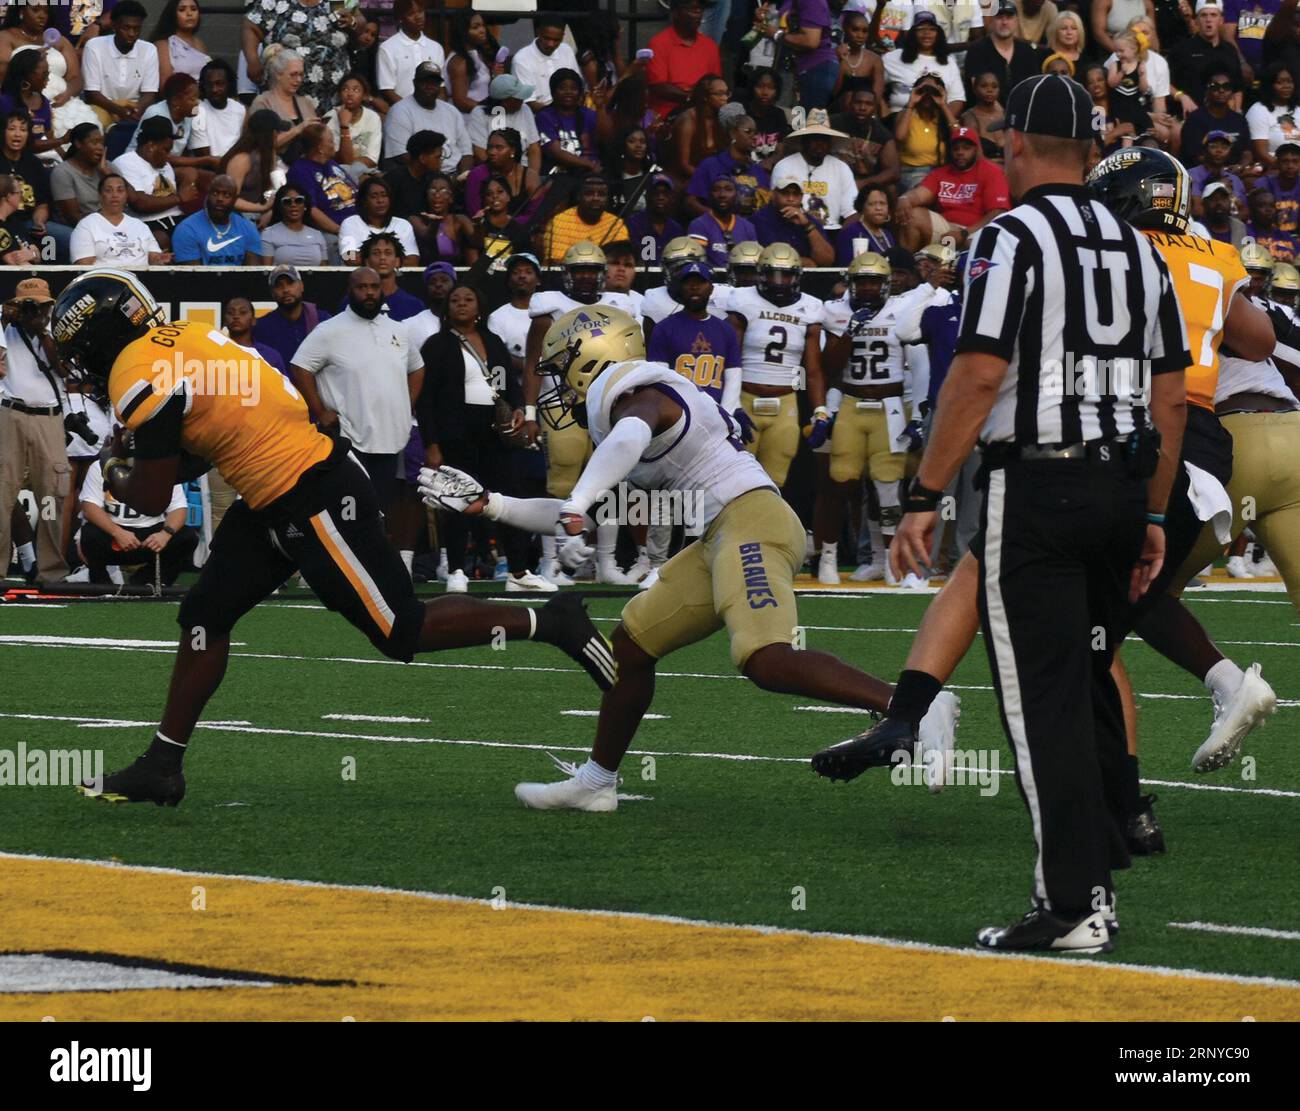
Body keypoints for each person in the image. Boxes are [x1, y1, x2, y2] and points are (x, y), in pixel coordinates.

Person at [814, 80, 1213, 953]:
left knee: (1043, 703)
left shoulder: (1012, 234)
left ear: (1020, 145)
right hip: (1120, 483)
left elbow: (981, 371)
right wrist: (1151, 512)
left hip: (1038, 487)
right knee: (1092, 678)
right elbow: (1172, 398)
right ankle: (1110, 845)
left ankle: (1073, 902)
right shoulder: (1144, 248)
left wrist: (926, 493)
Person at [55, 269, 616, 806]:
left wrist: (115, 471)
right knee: (205, 614)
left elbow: (151, 500)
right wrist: (137, 465)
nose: (79, 359)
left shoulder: (137, 365)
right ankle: (161, 765)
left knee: (401, 629)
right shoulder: (192, 339)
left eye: (78, 345)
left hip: (309, 491)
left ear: (100, 334)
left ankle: (551, 620)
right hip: (271, 494)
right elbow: (205, 447)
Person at [420, 303, 937, 812]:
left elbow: (627, 439)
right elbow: (583, 507)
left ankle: (915, 708)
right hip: (720, 531)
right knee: (632, 645)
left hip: (750, 520)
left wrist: (578, 502)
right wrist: (492, 505)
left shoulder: (641, 396)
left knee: (765, 658)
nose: (560, 388)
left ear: (592, 357)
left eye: (562, 371)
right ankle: (597, 781)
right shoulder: (632, 410)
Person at [416, 283, 550, 594]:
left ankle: (518, 570)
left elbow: (506, 386)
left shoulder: (493, 341)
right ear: (447, 308)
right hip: (455, 433)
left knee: (507, 499)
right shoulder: (437, 345)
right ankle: (457, 571)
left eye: (468, 298)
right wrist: (431, 443)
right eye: (455, 300)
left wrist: (518, 408)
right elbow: (427, 399)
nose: (461, 304)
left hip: (493, 432)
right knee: (458, 503)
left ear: (480, 307)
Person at [288, 266, 422, 522]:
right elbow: (300, 367)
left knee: (379, 511)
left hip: (390, 438)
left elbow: (417, 368)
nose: (369, 293)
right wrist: (320, 411)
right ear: (350, 291)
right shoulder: (330, 330)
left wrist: (408, 403)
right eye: (362, 288)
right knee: (349, 512)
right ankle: (344, 561)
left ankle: (372, 561)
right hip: (349, 438)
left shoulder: (398, 330)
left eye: (374, 287)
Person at [727, 244, 830, 489]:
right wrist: (730, 405)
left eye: (786, 275)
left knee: (775, 482)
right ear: (760, 274)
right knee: (737, 480)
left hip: (786, 403)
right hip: (745, 398)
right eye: (773, 274)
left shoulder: (811, 307)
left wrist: (820, 412)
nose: (780, 282)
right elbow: (731, 360)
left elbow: (813, 370)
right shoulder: (742, 299)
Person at [79, 454, 197, 587]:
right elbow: (89, 508)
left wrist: (165, 534)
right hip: (114, 535)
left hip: (151, 536)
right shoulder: (100, 466)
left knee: (187, 537)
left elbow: (178, 508)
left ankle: (148, 580)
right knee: (89, 534)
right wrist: (117, 532)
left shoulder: (164, 468)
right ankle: (100, 580)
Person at [895, 125, 1011, 251]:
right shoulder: (941, 173)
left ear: (976, 150)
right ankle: (904, 265)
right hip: (947, 231)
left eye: (966, 148)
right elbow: (919, 195)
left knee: (972, 244)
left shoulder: (991, 171)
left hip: (975, 231)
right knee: (911, 215)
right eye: (956, 148)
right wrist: (905, 198)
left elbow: (998, 213)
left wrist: (964, 233)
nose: (960, 152)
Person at [647, 258, 743, 406]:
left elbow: (733, 377)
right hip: (678, 414)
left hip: (716, 414)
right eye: (688, 282)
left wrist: (726, 416)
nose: (694, 287)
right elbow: (659, 378)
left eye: (700, 282)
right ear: (680, 287)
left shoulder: (726, 331)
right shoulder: (663, 329)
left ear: (711, 288)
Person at [244, 0, 350, 112]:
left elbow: (360, 26)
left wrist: (352, 22)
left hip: (332, 98)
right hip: (286, 96)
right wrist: (252, 61)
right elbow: (251, 27)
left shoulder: (339, 1)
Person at [772, 109, 858, 231]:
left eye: (824, 140)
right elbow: (778, 206)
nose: (819, 144)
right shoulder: (785, 166)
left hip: (831, 232)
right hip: (793, 229)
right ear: (804, 140)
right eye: (814, 139)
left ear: (830, 143)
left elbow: (852, 213)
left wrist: (840, 239)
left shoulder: (841, 168)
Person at [111, 113, 186, 249]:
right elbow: (140, 204)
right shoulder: (126, 162)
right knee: (161, 239)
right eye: (166, 150)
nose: (169, 156)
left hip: (174, 219)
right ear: (151, 146)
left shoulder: (165, 165)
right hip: (145, 222)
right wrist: (180, 198)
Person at [81, 1, 158, 132]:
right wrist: (120, 111)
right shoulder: (94, 46)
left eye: (136, 28)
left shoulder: (149, 50)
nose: (132, 33)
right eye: (126, 28)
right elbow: (91, 94)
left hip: (136, 107)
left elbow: (149, 93)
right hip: (103, 105)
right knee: (94, 127)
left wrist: (134, 112)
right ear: (114, 25)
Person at [381, 61, 472, 171]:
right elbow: (402, 156)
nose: (430, 86)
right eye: (425, 82)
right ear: (415, 83)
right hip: (422, 177)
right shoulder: (399, 111)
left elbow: (467, 152)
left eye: (435, 83)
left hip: (454, 175)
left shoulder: (451, 111)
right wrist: (436, 177)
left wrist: (463, 177)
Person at [753, 0, 840, 109]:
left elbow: (811, 41)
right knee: (793, 120)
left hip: (816, 67)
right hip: (795, 67)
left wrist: (776, 34)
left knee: (811, 121)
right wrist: (764, 21)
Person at [71, 171, 167, 265]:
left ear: (126, 195)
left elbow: (154, 258)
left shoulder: (140, 225)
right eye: (108, 190)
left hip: (139, 279)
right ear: (100, 195)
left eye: (120, 190)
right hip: (104, 278)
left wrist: (160, 260)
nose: (115, 195)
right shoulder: (86, 225)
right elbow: (83, 265)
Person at [646, 0, 721, 118]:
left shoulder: (710, 46)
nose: (698, 12)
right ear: (675, 12)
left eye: (700, 9)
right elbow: (658, 86)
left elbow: (716, 83)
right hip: (667, 114)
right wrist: (692, 97)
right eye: (692, 9)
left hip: (702, 113)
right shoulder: (658, 43)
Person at [288, 122, 358, 245]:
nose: (334, 144)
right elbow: (311, 209)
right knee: (350, 254)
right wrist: (340, 231)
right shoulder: (301, 171)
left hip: (358, 224)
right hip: (335, 232)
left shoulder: (330, 163)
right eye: (330, 141)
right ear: (320, 148)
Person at [883, 12, 966, 116]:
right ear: (912, 33)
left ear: (938, 33)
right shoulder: (892, 58)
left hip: (936, 123)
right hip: (899, 120)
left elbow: (957, 100)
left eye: (932, 29)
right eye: (921, 28)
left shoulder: (949, 62)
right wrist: (886, 117)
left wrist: (942, 123)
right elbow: (875, 89)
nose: (927, 33)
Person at [1169, 0, 1245, 110]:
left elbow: (1237, 88)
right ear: (1196, 21)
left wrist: (1236, 113)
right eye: (1204, 15)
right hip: (1192, 117)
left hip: (1224, 119)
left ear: (1221, 20)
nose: (1208, 20)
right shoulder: (1181, 50)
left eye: (1213, 15)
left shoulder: (1230, 50)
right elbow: (1165, 84)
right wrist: (1181, 96)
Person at [253, 263, 331, 370]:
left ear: (301, 286)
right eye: (279, 286)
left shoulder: (322, 320)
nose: (286, 290)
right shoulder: (262, 327)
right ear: (272, 293)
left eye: (290, 283)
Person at [540, 172, 629, 265]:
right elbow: (556, 262)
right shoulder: (559, 221)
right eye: (589, 193)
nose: (596, 198)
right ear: (578, 196)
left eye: (601, 194)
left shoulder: (616, 223)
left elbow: (620, 262)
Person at [170, 172, 260, 264]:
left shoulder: (248, 228)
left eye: (227, 195)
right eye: (215, 193)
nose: (219, 199)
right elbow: (192, 276)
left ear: (235, 200)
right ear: (207, 195)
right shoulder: (187, 229)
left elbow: (253, 271)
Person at [964, 2, 1043, 103]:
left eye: (1009, 17)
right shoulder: (977, 50)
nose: (1004, 22)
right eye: (999, 17)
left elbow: (1033, 86)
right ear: (992, 20)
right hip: (987, 112)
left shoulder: (1027, 51)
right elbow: (978, 89)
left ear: (1017, 21)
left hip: (1021, 110)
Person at [750, 173, 835, 266]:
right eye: (785, 193)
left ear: (801, 197)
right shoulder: (759, 220)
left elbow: (827, 261)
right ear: (773, 195)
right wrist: (803, 262)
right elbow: (761, 258)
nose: (791, 199)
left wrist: (807, 226)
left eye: (795, 194)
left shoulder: (810, 221)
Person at [219, 108, 285, 220]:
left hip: (258, 212)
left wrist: (269, 212)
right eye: (278, 132)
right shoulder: (242, 159)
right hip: (235, 217)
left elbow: (272, 188)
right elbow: (229, 199)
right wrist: (261, 209)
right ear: (273, 133)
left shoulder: (269, 154)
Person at [377, 0, 445, 107]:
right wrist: (411, 111)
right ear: (400, 19)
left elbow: (441, 88)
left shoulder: (436, 48)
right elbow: (387, 90)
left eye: (420, 11)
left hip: (432, 114)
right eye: (411, 14)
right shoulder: (388, 48)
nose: (418, 17)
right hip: (402, 113)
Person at [831, 86, 902, 190]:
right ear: (850, 104)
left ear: (875, 109)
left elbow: (894, 172)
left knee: (891, 188)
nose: (862, 108)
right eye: (858, 102)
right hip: (832, 177)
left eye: (868, 104)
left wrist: (863, 184)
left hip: (864, 183)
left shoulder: (881, 133)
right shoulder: (833, 123)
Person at [464, 127, 540, 223]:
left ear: (512, 151)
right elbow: (474, 213)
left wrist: (509, 223)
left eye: (499, 148)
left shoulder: (530, 176)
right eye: (490, 147)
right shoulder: (477, 175)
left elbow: (535, 215)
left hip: (523, 231)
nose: (492, 152)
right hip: (486, 231)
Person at [338, 175, 418, 265]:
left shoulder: (403, 225)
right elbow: (350, 259)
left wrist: (370, 259)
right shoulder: (350, 223)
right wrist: (391, 260)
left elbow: (413, 261)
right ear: (364, 201)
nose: (380, 200)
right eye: (374, 196)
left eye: (384, 195)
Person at [536, 67, 600, 180]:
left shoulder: (589, 114)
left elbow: (607, 138)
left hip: (591, 176)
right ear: (553, 91)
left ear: (580, 92)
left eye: (574, 88)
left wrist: (601, 106)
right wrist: (588, 164)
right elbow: (555, 151)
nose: (568, 92)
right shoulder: (544, 116)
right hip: (558, 176)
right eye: (562, 88)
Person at [1180, 68, 1252, 166]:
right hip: (1204, 172)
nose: (1221, 90)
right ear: (1207, 90)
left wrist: (1240, 167)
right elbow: (1195, 155)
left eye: (1226, 86)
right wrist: (1222, 171)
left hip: (1236, 171)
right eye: (1215, 87)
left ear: (1232, 91)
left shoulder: (1239, 120)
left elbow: (1247, 152)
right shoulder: (1195, 119)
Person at [511, 14, 582, 111]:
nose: (551, 44)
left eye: (556, 40)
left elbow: (577, 87)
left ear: (562, 36)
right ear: (538, 32)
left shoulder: (567, 50)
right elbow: (528, 103)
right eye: (547, 38)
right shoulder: (521, 59)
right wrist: (557, 116)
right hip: (539, 117)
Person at [668, 73, 729, 182]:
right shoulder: (688, 120)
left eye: (726, 93)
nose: (724, 98)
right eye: (719, 94)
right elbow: (684, 165)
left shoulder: (721, 118)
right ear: (705, 96)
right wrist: (712, 178)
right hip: (685, 179)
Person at [687, 176, 758, 266]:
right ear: (709, 195)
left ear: (737, 195)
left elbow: (754, 260)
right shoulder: (699, 225)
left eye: (728, 189)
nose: (722, 195)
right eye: (716, 190)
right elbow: (696, 263)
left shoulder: (748, 227)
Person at [327, 73, 383, 182]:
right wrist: (344, 126)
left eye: (356, 90)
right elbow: (340, 160)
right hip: (336, 174)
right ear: (339, 94)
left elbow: (371, 160)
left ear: (364, 96)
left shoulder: (373, 118)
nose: (350, 94)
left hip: (366, 173)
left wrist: (351, 165)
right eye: (345, 89)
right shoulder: (330, 118)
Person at [446, 10, 502, 114]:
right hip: (469, 121)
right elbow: (461, 102)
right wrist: (488, 110)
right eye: (475, 27)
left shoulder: (478, 54)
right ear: (463, 31)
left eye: (482, 25)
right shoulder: (459, 62)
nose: (482, 30)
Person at [189, 59, 244, 164]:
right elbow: (205, 159)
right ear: (203, 86)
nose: (214, 89)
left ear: (229, 84)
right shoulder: (197, 111)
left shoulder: (240, 109)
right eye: (209, 84)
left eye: (219, 84)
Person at [51, 124, 105, 229]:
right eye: (94, 142)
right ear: (78, 143)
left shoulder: (107, 167)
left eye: (102, 142)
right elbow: (74, 218)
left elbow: (131, 201)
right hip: (81, 229)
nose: (100, 147)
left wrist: (108, 173)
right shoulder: (62, 172)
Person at [417, 171, 476, 266]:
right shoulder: (416, 220)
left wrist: (479, 225)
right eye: (432, 191)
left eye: (443, 191)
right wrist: (434, 224)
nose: (437, 195)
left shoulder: (459, 219)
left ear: (451, 197)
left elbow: (477, 243)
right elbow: (427, 238)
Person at [1247, 62, 1300, 168]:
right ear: (1269, 85)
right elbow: (1262, 154)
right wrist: (1289, 169)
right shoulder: (1259, 110)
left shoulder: (1298, 109)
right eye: (1280, 82)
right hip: (1275, 169)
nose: (1286, 86)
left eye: (1289, 82)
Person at [385, 128, 444, 220]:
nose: (441, 161)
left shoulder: (438, 179)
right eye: (437, 157)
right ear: (423, 158)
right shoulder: (393, 180)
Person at [625, 173, 684, 263]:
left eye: (665, 194)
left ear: (672, 198)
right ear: (647, 196)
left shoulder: (676, 229)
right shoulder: (633, 223)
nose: (661, 198)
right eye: (656, 193)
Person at [152, 0, 209, 84]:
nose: (189, 13)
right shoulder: (163, 45)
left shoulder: (200, 44)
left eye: (193, 9)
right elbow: (165, 84)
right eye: (182, 10)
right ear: (172, 15)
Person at [836, 185, 897, 263]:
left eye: (883, 203)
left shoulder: (888, 234)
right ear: (862, 207)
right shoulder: (850, 233)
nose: (878, 208)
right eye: (872, 204)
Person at [744, 68, 790, 170]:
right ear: (752, 88)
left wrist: (768, 162)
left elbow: (781, 149)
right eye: (760, 86)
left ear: (777, 91)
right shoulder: (743, 112)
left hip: (768, 168)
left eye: (771, 88)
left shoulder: (778, 115)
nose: (765, 92)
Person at [1263, 138, 1300, 231]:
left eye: (1295, 161)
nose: (1290, 166)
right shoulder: (1263, 184)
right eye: (1285, 161)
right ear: (1277, 163)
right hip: (1270, 236)